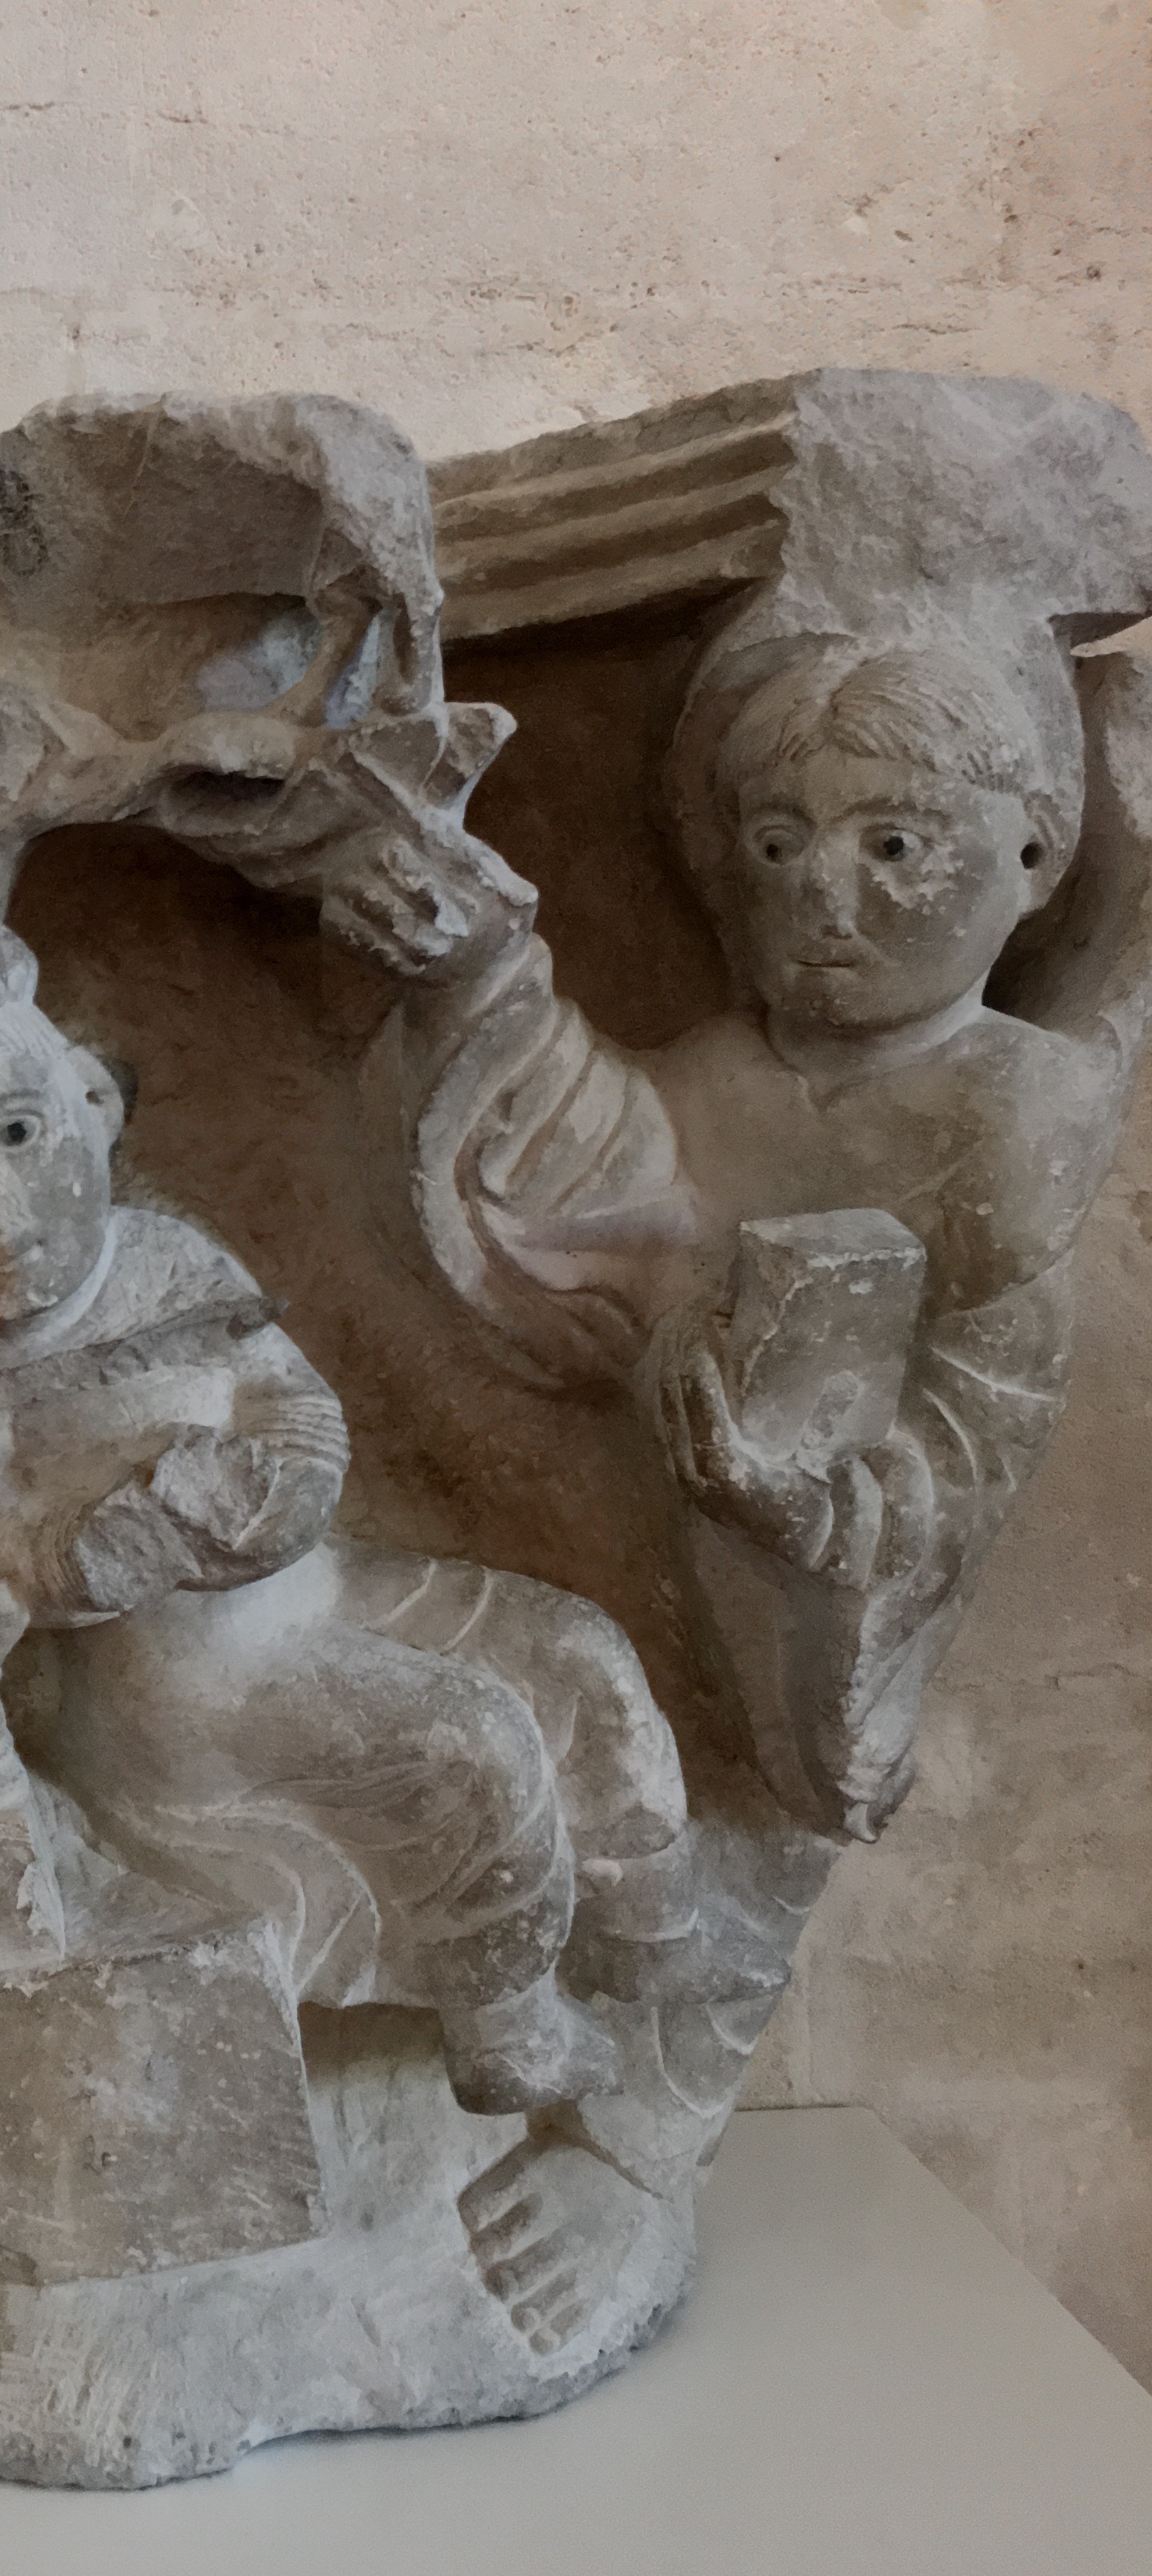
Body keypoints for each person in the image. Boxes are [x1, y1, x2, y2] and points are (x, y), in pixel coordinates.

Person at [0, 900, 715, 2116]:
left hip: (320, 1584)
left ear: (91, 1107)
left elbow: (288, 1399)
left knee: (581, 1652)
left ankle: (648, 1939)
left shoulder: (169, 1261)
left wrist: (279, 1478)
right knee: (473, 1745)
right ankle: (506, 2021)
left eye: (16, 1131)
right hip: (193, 1690)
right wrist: (130, 1535)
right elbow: (11, 1568)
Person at [339, 636, 1142, 1836]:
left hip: (788, 1609)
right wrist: (473, 972)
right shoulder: (725, 1070)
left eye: (894, 846)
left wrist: (802, 1512)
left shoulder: (1012, 1117)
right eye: (777, 843)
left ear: (1030, 858)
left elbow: (968, 1448)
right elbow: (596, 1162)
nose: (820, 892)